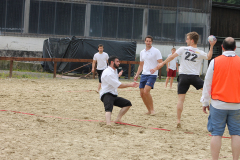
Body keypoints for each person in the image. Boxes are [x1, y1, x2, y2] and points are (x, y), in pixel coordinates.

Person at [150, 32, 216, 127]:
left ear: (192, 40)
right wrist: (212, 46)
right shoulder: (199, 52)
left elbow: (172, 57)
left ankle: (178, 120)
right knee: (211, 91)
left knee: (180, 100)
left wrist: (162, 64)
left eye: (187, 39)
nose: (186, 40)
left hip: (183, 77)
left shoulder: (183, 49)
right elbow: (209, 57)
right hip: (194, 77)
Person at [201, 37, 240, 160]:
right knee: (236, 134)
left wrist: (205, 101)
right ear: (235, 48)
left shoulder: (215, 61)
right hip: (237, 104)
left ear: (222, 47)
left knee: (216, 134)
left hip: (218, 104)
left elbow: (207, 83)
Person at [100, 56, 139, 125]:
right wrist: (130, 84)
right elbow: (118, 85)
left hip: (113, 94)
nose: (119, 63)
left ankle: (118, 119)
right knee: (109, 108)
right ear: (112, 62)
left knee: (127, 104)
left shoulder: (114, 71)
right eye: (117, 61)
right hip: (106, 94)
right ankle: (108, 124)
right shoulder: (108, 72)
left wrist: (118, 75)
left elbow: (114, 80)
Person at [134, 35, 162, 115]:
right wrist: (137, 75)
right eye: (147, 41)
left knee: (146, 91)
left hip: (152, 75)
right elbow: (141, 65)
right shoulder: (142, 52)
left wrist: (155, 69)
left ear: (151, 42)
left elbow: (161, 63)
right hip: (144, 74)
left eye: (150, 41)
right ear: (145, 41)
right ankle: (149, 110)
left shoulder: (156, 51)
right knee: (142, 94)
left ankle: (152, 110)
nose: (148, 42)